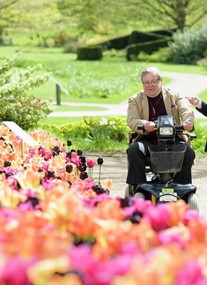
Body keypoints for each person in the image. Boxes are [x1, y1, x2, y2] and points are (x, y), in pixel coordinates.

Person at [126, 66, 195, 190]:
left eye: (153, 81)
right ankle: (139, 187)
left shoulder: (174, 95)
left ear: (160, 81)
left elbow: (186, 110)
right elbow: (132, 119)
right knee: (134, 150)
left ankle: (182, 186)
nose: (150, 85)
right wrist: (145, 123)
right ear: (142, 84)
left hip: (173, 140)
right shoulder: (135, 100)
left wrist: (188, 121)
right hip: (148, 141)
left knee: (188, 152)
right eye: (146, 82)